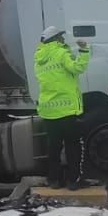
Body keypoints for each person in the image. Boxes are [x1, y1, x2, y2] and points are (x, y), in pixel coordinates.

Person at [35, 27, 92, 189]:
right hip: (66, 109)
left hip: (49, 110)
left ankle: (54, 180)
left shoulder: (39, 58)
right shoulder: (61, 53)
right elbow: (77, 68)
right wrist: (84, 50)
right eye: (61, 37)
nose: (63, 40)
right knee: (73, 145)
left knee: (53, 147)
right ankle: (74, 181)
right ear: (56, 39)